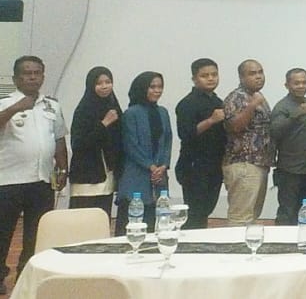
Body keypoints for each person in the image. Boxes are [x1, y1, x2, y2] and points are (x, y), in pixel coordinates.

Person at [0, 56, 67, 291]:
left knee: (36, 234)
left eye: (37, 73)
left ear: (43, 77)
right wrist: (15, 109)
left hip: (41, 180)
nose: (32, 77)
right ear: (16, 78)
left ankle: (25, 278)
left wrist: (63, 168)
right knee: (3, 233)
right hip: (8, 180)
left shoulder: (51, 105)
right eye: (27, 73)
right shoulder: (5, 102)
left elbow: (59, 139)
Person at [173, 59, 225, 229]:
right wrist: (211, 120)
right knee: (195, 213)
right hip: (194, 166)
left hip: (215, 165)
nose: (210, 78)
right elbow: (185, 134)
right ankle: (189, 242)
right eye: (205, 75)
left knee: (206, 209)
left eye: (214, 74)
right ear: (194, 79)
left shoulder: (218, 102)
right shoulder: (187, 103)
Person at [117, 71, 171, 229]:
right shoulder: (131, 113)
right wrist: (151, 166)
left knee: (157, 221)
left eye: (160, 87)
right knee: (133, 220)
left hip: (159, 175)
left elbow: (168, 140)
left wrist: (163, 166)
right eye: (152, 87)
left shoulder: (163, 112)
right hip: (136, 173)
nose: (157, 90)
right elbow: (131, 145)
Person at [222, 59, 272, 225]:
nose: (258, 77)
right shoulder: (236, 97)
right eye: (252, 73)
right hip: (243, 163)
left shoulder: (257, 96)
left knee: (252, 216)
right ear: (241, 77)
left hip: (259, 163)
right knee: (240, 219)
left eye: (260, 72)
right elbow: (235, 126)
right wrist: (252, 105)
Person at [68, 67, 121, 222]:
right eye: (99, 83)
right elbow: (79, 144)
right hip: (87, 177)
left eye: (108, 82)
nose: (104, 86)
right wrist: (104, 123)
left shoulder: (114, 107)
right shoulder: (83, 110)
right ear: (91, 85)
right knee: (82, 222)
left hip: (107, 177)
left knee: (102, 221)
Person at [269, 68, 306, 226]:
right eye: (296, 83)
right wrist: (294, 116)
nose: (301, 86)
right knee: (287, 212)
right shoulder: (282, 106)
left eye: (304, 82)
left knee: (305, 211)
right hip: (289, 170)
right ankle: (282, 241)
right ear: (287, 85)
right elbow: (274, 132)